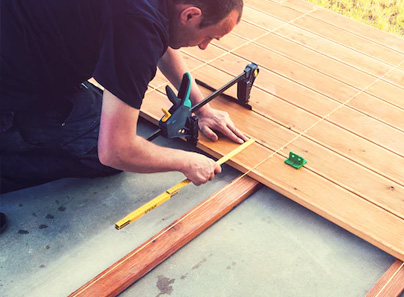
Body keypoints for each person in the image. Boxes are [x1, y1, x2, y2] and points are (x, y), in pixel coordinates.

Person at [0, 0, 249, 197]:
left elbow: (161, 35)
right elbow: (115, 151)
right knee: (104, 156)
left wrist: (201, 108)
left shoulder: (155, 10)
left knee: (104, 114)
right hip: (13, 87)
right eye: (209, 37)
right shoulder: (136, 25)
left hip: (20, 40)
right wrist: (187, 161)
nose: (204, 46)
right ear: (190, 15)